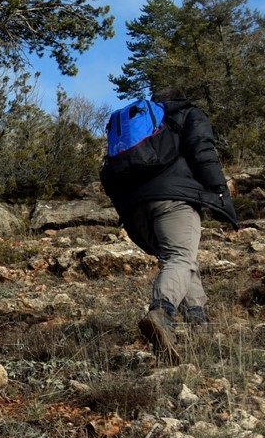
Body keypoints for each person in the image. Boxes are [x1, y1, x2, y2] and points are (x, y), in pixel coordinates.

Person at [101, 87, 238, 363]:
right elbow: (203, 152)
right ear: (182, 97)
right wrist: (221, 194)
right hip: (173, 199)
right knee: (180, 257)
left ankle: (198, 321)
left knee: (182, 259)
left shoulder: (146, 125)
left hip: (135, 209)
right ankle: (161, 313)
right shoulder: (188, 114)